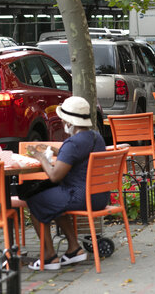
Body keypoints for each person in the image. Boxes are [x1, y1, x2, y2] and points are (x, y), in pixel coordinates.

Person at [25, 96, 108, 270]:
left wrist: (40, 157)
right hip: (100, 196)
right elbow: (76, 153)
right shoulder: (95, 137)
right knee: (52, 199)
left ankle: (49, 256)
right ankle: (74, 249)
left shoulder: (73, 143)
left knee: (35, 200)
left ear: (69, 121)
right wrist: (57, 150)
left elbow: (55, 176)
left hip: (81, 196)